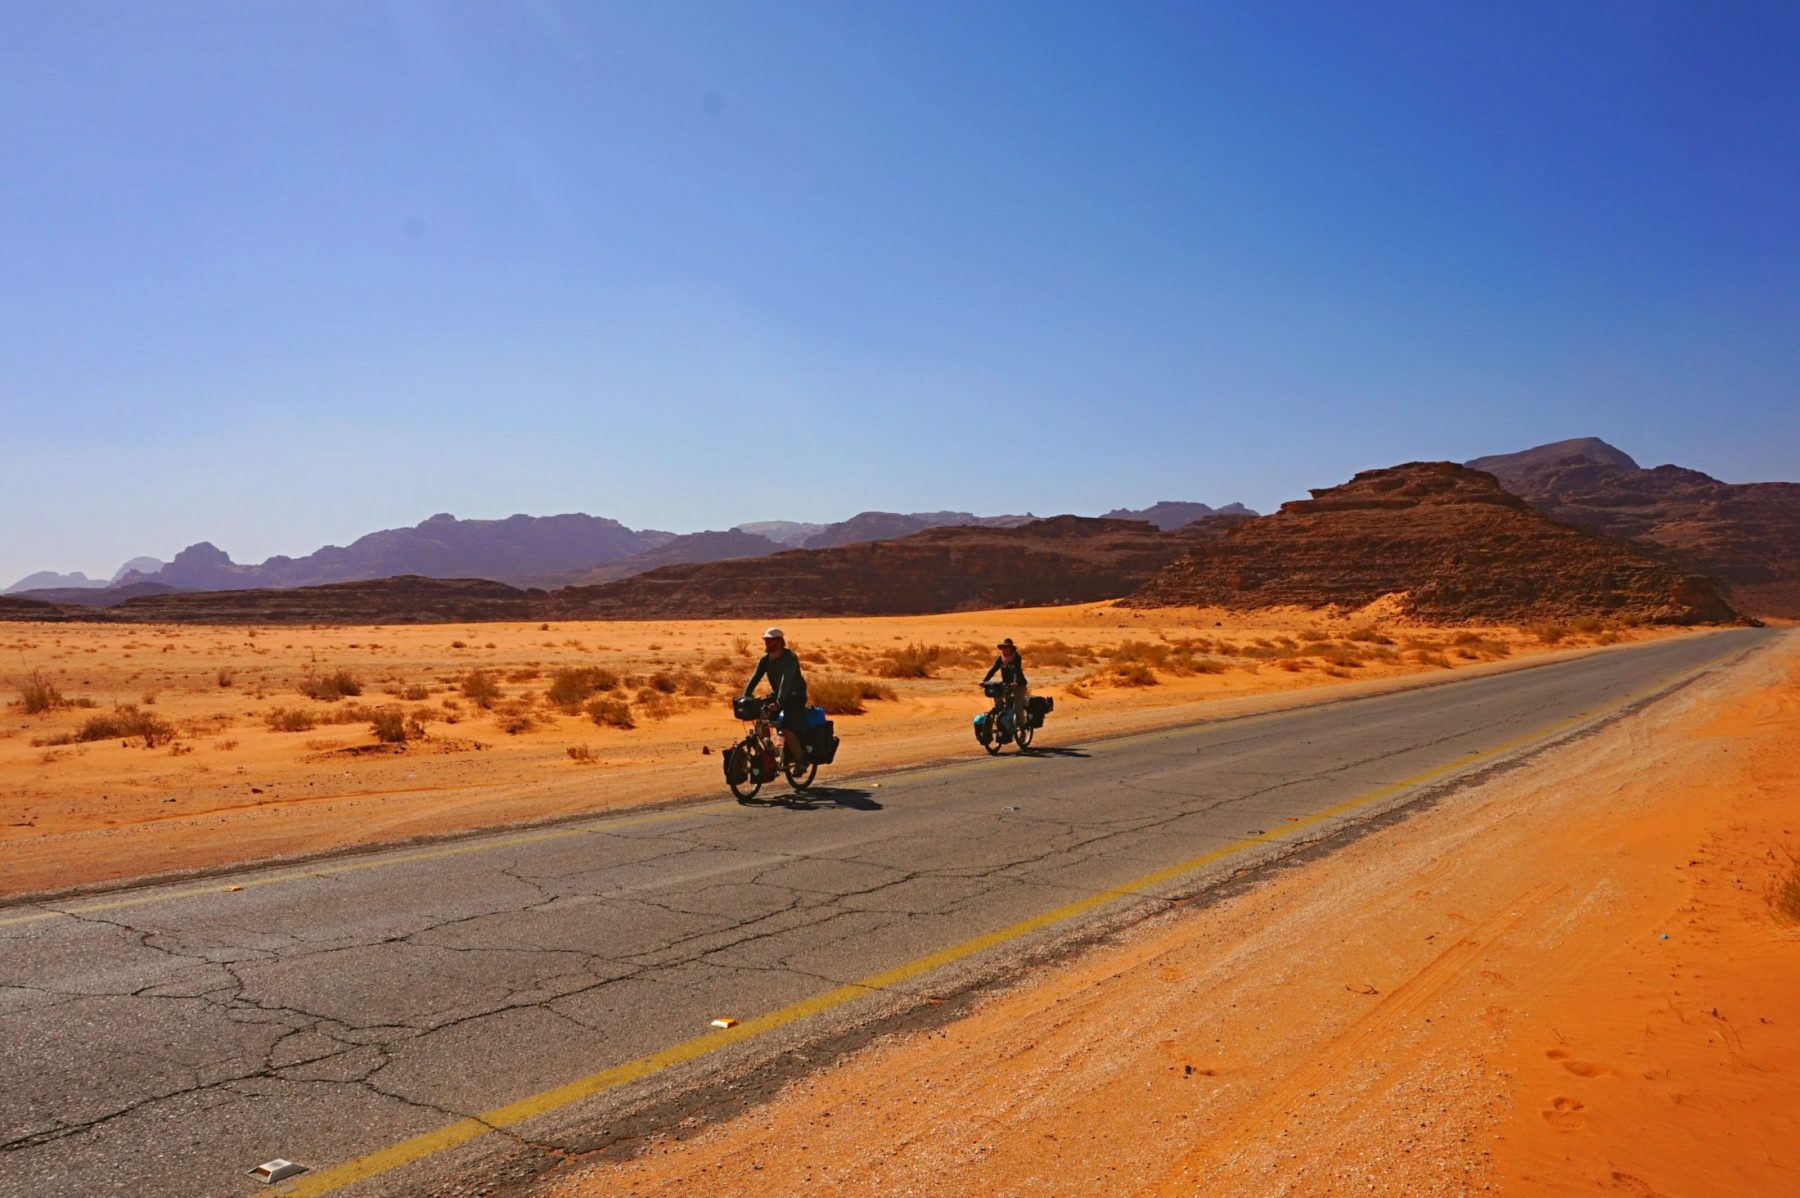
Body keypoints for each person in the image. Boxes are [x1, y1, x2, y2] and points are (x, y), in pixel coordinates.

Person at [743, 626, 808, 763]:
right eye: (765, 640)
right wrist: (745, 696)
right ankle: (770, 751)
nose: (766, 643)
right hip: (777, 695)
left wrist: (779, 702)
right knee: (761, 720)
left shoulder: (789, 658)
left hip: (795, 696)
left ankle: (800, 760)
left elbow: (786, 680)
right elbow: (755, 677)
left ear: (779, 641)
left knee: (786, 728)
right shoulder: (765, 659)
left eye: (770, 640)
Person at [982, 638, 1029, 734]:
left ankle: (1023, 729)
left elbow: (1017, 670)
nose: (1004, 649)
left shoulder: (1016, 658)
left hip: (1019, 685)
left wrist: (1015, 682)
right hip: (1006, 685)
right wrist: (985, 681)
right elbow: (993, 669)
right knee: (1000, 703)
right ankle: (1005, 723)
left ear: (1011, 648)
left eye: (1006, 647)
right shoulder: (1001, 659)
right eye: (1003, 648)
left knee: (1017, 709)